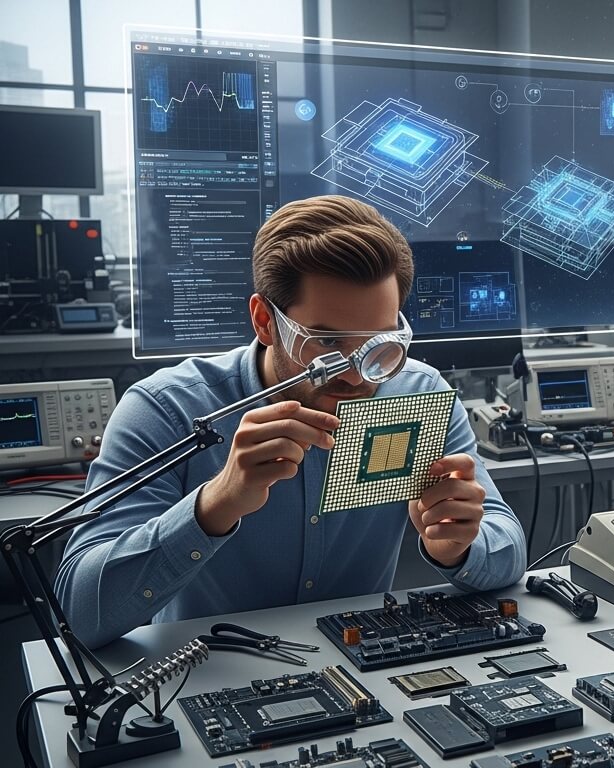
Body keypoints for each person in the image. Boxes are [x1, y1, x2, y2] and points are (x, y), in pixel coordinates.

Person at [55, 195, 527, 648]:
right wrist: (215, 504)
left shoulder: (420, 393)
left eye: (380, 343)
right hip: (207, 678)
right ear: (265, 321)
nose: (358, 374)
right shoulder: (168, 408)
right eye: (326, 343)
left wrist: (460, 547)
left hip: (360, 669)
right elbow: (81, 612)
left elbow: (507, 549)